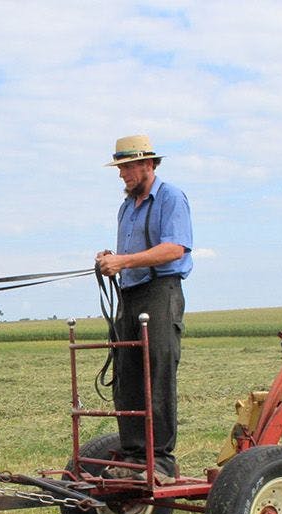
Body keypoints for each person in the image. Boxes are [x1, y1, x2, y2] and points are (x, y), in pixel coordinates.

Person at [94, 134, 193, 482]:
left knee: (157, 371)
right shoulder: (126, 208)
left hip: (161, 292)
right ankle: (134, 455)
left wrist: (124, 260)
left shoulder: (171, 198)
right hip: (130, 294)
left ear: (148, 164)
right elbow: (128, 258)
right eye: (120, 168)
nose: (123, 175)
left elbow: (174, 249)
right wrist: (110, 259)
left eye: (128, 168)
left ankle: (162, 460)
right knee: (127, 375)